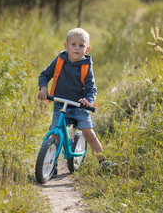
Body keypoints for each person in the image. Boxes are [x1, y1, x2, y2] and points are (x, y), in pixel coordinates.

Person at [37, 28, 116, 171]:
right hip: (61, 105)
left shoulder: (86, 66)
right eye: (73, 44)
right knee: (55, 134)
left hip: (80, 107)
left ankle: (103, 162)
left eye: (81, 45)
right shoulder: (60, 60)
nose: (77, 48)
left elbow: (91, 88)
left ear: (87, 49)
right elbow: (45, 74)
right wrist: (43, 87)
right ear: (66, 46)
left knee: (89, 134)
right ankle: (51, 162)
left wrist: (88, 101)